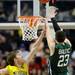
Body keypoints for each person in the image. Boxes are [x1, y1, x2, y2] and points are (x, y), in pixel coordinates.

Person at [46, 6, 72, 75]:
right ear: (65, 38)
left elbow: (48, 33)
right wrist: (52, 18)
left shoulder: (54, 47)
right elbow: (58, 31)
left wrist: (46, 20)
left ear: (55, 38)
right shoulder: (69, 44)